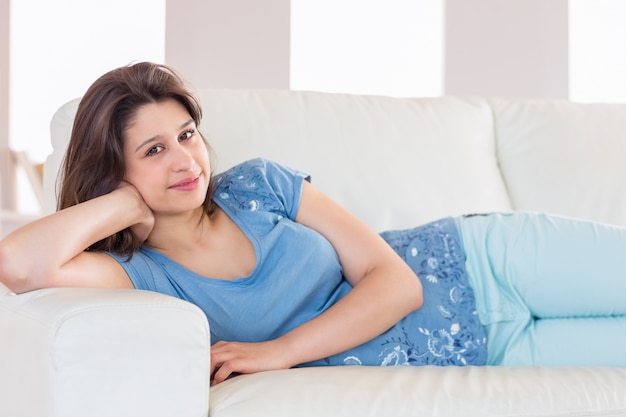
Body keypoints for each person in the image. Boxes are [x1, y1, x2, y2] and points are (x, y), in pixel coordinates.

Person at [1, 62, 625, 385]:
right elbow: (18, 264)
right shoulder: (143, 278)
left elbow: (396, 281)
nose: (187, 160)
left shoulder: (258, 184)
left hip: (486, 257)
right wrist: (123, 204)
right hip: (487, 351)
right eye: (154, 150)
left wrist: (281, 352)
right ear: (114, 169)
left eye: (187, 135)